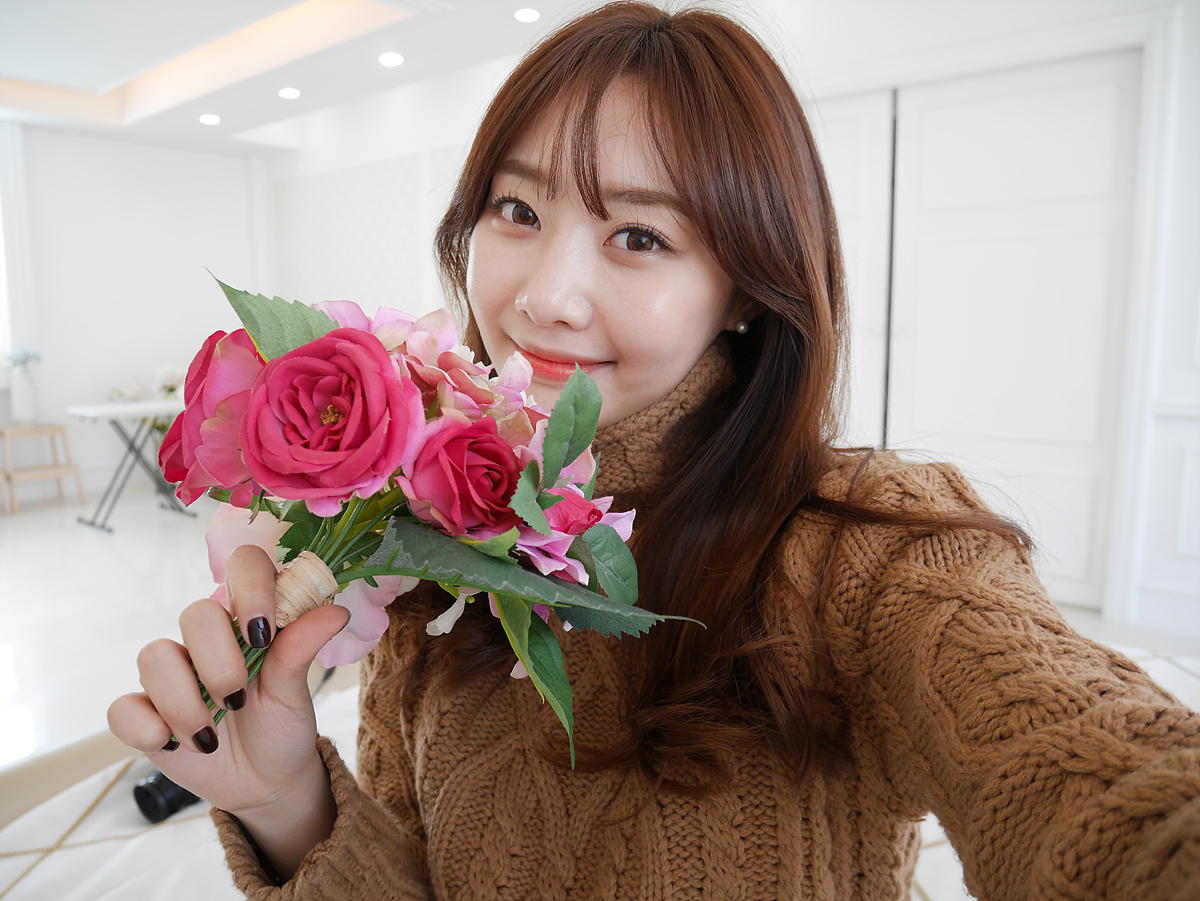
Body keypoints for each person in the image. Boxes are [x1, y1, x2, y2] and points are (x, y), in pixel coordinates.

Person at [108, 3, 1200, 899]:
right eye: (517, 207)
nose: (545, 296)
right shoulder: (434, 572)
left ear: (746, 289)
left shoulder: (870, 551)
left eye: (639, 235)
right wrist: (289, 802)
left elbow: (1108, 783)